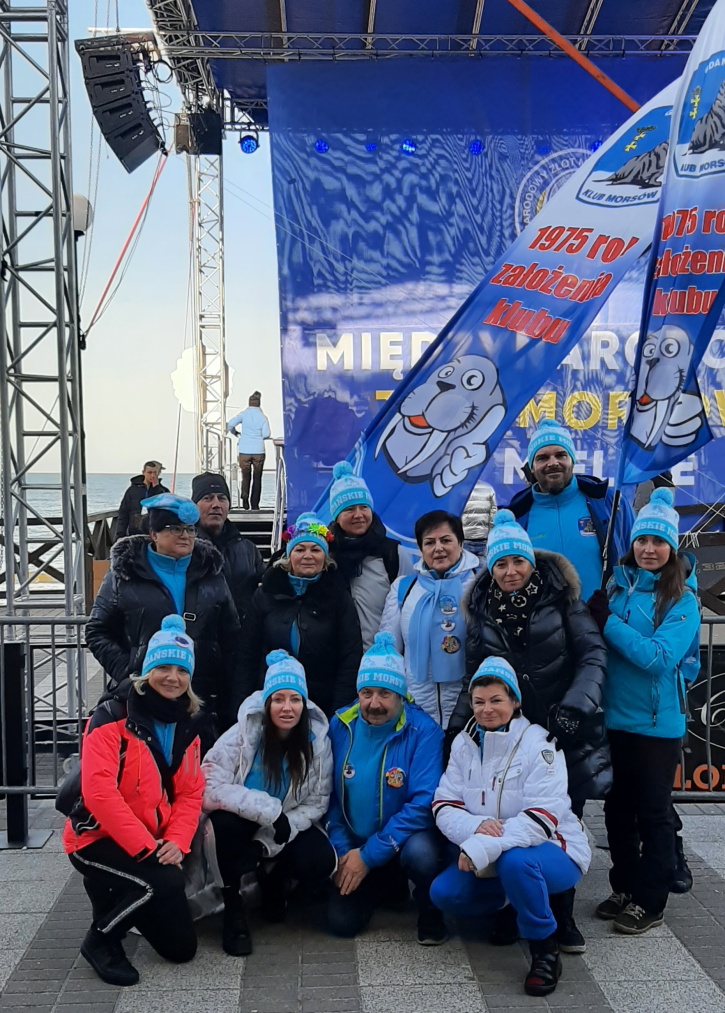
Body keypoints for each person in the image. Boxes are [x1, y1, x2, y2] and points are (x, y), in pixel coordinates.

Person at [447, 509, 607, 953]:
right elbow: (474, 677)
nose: (510, 571)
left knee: (560, 822)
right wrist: (457, 727)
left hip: (561, 728)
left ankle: (562, 915)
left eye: (517, 561)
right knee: (506, 814)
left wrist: (575, 706)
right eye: (500, 563)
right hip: (506, 731)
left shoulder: (562, 600)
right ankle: (512, 907)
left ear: (531, 562)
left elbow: (592, 655)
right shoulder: (481, 610)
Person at [430, 657, 591, 998]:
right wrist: (477, 826)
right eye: (479, 702)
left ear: (515, 701)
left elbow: (542, 819)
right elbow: (444, 804)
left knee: (516, 862)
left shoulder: (540, 743)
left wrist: (482, 845)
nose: (486, 709)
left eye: (496, 700)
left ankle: (544, 949)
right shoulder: (464, 743)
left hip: (554, 848)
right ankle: (512, 904)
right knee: (444, 893)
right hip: (491, 847)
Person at [63, 615, 205, 987]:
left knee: (181, 949)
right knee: (165, 882)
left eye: (181, 670)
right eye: (163, 667)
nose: (172, 677)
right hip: (96, 838)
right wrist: (147, 849)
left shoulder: (188, 722)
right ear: (147, 670)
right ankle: (101, 939)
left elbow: (190, 792)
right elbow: (99, 794)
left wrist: (176, 841)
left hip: (154, 838)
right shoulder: (111, 716)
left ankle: (119, 891)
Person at [587, 488, 700, 935]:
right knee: (617, 812)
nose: (649, 549)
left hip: (656, 725)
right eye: (642, 540)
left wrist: (608, 622)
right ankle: (625, 886)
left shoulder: (682, 599)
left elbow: (658, 657)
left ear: (671, 547)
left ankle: (651, 900)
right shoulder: (616, 586)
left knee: (653, 813)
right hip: (613, 719)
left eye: (658, 541)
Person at [202, 649, 335, 956]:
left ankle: (274, 878)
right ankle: (233, 905)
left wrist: (265, 843)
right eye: (278, 699)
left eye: (295, 699)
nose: (287, 708)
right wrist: (268, 811)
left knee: (320, 859)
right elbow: (208, 786)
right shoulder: (242, 733)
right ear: (267, 703)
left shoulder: (317, 741)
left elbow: (317, 802)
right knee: (222, 826)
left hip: (284, 824)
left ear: (304, 703)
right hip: (243, 819)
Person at [86, 493, 243, 735]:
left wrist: (224, 685)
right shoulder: (125, 573)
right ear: (154, 533)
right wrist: (129, 671)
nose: (185, 535)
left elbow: (231, 635)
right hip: (142, 694)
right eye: (175, 529)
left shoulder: (211, 572)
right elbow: (97, 630)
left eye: (190, 529)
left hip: (200, 696)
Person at [326, 632, 447, 943]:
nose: (374, 703)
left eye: (385, 693)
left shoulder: (424, 731)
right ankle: (384, 884)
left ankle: (430, 911)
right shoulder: (340, 725)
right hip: (355, 842)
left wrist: (370, 856)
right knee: (341, 924)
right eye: (366, 693)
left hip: (401, 841)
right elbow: (330, 798)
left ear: (401, 695)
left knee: (422, 855)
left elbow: (423, 803)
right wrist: (344, 853)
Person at [240, 512, 363, 718]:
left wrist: (339, 713)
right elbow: (247, 654)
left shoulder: (339, 597)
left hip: (322, 703)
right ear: (289, 556)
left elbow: (350, 658)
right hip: (272, 702)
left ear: (325, 557)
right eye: (300, 549)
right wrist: (243, 705)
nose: (308, 555)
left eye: (315, 549)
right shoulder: (266, 594)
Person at [509, 419, 634, 600]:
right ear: (532, 468)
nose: (553, 463)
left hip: (604, 616)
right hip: (542, 618)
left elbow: (637, 560)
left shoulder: (610, 503)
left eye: (561, 455)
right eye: (542, 458)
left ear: (572, 461)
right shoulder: (518, 517)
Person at [380, 510, 479, 728]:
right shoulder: (403, 588)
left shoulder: (480, 584)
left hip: (471, 711)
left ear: (460, 543)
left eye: (446, 540)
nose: (438, 548)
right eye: (429, 542)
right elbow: (388, 651)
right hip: (416, 710)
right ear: (420, 548)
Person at [327, 461, 414, 649]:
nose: (358, 515)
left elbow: (411, 610)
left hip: (384, 659)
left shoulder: (394, 554)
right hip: (337, 661)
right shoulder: (325, 556)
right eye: (349, 509)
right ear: (336, 516)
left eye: (364, 507)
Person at [192, 471, 264, 622]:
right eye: (207, 498)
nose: (216, 505)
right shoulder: (185, 548)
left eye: (222, 498)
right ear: (194, 506)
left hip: (242, 632)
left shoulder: (248, 549)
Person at [227, 391, 271, 510]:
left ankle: (244, 494)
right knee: (257, 478)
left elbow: (230, 424)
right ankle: (255, 504)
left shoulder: (243, 414)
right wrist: (259, 436)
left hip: (244, 450)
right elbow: (267, 434)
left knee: (245, 475)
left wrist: (235, 432)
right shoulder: (263, 417)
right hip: (258, 451)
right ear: (259, 403)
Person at [115, 460, 167, 539]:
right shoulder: (132, 490)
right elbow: (123, 513)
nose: (152, 475)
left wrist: (156, 488)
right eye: (149, 472)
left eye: (155, 473)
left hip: (155, 534)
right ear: (143, 472)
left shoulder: (163, 491)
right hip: (134, 533)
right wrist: (120, 536)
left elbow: (164, 512)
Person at [461, 480, 498, 563]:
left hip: (465, 539)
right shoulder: (488, 488)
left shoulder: (459, 489)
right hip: (484, 539)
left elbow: (456, 515)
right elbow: (493, 517)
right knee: (483, 568)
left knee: (466, 568)